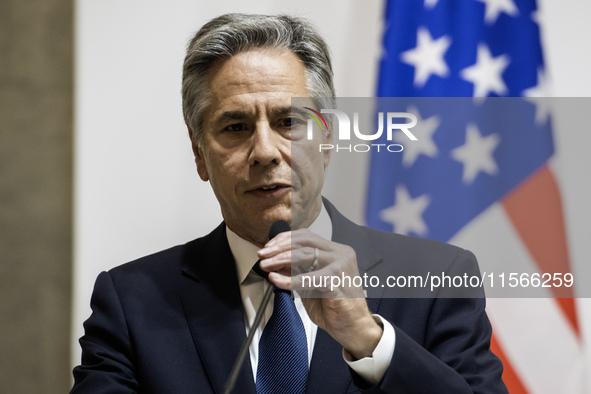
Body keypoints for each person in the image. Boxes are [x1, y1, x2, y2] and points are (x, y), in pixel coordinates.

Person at [71, 13, 508, 393]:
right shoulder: (132, 300)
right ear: (200, 154)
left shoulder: (437, 278)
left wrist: (368, 339)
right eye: (236, 127)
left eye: (289, 122)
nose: (265, 151)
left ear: (329, 140)